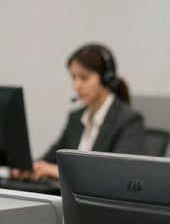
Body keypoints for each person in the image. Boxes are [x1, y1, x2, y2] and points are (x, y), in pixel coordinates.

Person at [24, 44, 145, 180]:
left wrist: (58, 171)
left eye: (84, 78)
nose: (77, 86)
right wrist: (27, 169)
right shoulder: (76, 117)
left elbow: (118, 175)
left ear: (106, 78)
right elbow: (50, 160)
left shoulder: (128, 120)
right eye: (73, 77)